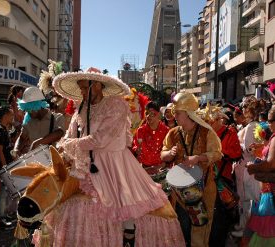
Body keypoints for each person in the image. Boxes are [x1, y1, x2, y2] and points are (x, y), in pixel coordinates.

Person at [52, 67, 184, 246]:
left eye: (84, 88)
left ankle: (127, 236)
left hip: (114, 165)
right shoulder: (82, 107)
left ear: (97, 86)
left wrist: (69, 144)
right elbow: (71, 133)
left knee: (124, 212)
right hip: (85, 164)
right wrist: (65, 145)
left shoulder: (116, 105)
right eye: (81, 88)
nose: (82, 92)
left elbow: (99, 140)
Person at [160, 92, 222, 247]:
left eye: (178, 113)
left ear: (188, 113)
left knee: (200, 229)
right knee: (181, 227)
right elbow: (163, 154)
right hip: (179, 193)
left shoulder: (206, 132)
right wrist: (169, 154)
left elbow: (218, 154)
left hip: (204, 189)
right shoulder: (173, 133)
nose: (175, 116)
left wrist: (198, 158)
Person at [201, 105, 242, 246]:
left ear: (219, 120)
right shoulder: (204, 133)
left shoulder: (229, 133)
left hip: (221, 181)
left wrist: (218, 152)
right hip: (205, 181)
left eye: (211, 121)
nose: (209, 123)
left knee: (220, 219)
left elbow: (237, 154)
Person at [232, 96, 265, 237]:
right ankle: (242, 226)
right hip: (245, 167)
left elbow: (248, 149)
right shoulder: (253, 125)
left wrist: (234, 147)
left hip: (246, 167)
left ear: (250, 110)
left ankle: (244, 229)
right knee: (245, 200)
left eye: (245, 107)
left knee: (247, 200)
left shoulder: (252, 127)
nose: (243, 110)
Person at [245, 106, 275, 246]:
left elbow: (270, 164)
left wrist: (253, 168)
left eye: (270, 121)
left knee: (267, 231)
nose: (268, 124)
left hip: (271, 192)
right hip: (268, 190)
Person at [14, 87, 65, 156]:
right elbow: (21, 137)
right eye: (26, 110)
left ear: (38, 106)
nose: (27, 112)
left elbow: (59, 133)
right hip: (35, 162)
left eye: (29, 109)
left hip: (52, 162)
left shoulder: (57, 117)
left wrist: (38, 142)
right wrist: (16, 149)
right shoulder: (29, 122)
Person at [132, 101, 169, 174]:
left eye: (152, 114)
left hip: (161, 167)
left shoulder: (166, 130)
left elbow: (169, 150)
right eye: (147, 113)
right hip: (145, 168)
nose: (148, 116)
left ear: (158, 115)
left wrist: (162, 165)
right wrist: (137, 150)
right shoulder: (141, 130)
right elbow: (136, 146)